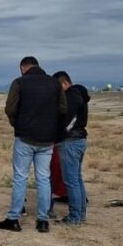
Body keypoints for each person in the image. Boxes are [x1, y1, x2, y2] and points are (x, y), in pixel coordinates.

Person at [0, 57, 66, 233]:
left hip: (25, 138)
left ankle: (14, 219)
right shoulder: (54, 83)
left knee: (20, 178)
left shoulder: (19, 83)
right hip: (47, 139)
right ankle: (43, 220)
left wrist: (17, 123)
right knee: (43, 179)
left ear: (23, 67)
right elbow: (62, 109)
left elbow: (10, 109)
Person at [53, 71, 90, 225]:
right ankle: (80, 214)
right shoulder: (80, 95)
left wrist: (56, 134)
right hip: (79, 139)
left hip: (70, 141)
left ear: (64, 84)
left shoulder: (71, 97)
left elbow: (66, 122)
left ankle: (75, 217)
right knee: (77, 179)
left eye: (57, 87)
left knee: (71, 181)